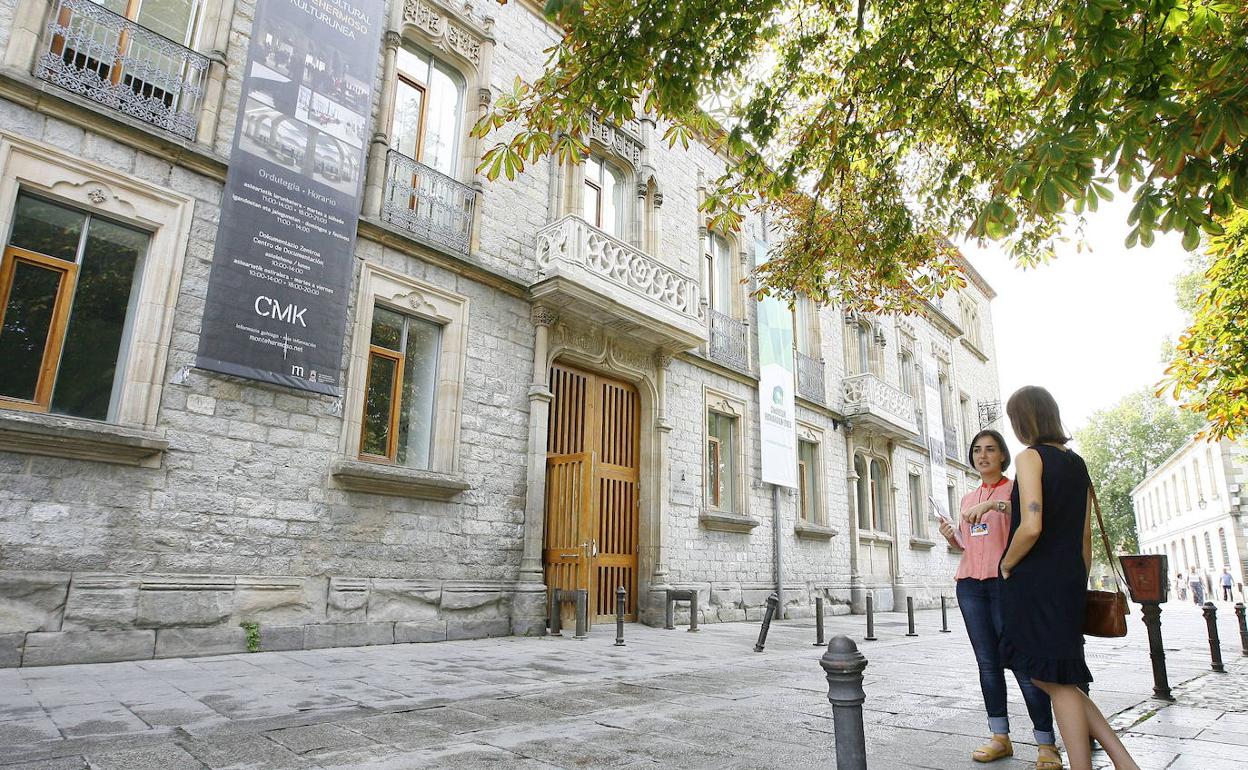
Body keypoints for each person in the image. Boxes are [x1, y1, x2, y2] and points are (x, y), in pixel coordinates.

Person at [998, 386, 1139, 770]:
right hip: (1068, 577)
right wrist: (1076, 578)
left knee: (1052, 678)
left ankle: (1085, 766)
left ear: (1023, 420)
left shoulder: (1030, 457)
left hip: (1034, 579)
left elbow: (1030, 525)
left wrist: (1006, 564)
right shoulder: (1076, 463)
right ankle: (1124, 762)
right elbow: (1085, 536)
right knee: (1058, 677)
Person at [939, 429, 1059, 769]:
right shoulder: (967, 497)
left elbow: (1029, 521)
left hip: (1006, 585)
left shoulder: (1015, 490)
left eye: (990, 449)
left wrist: (994, 505)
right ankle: (999, 737)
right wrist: (951, 537)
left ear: (1003, 455)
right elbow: (967, 544)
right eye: (977, 450)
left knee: (1022, 664)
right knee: (987, 665)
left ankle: (1045, 744)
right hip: (970, 586)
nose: (983, 456)